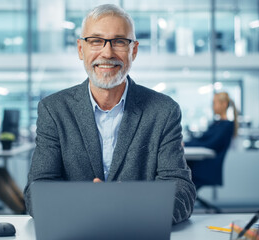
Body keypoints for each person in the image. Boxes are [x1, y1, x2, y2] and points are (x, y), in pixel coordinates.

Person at [24, 4, 196, 224]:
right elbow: (37, 191)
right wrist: (90, 203)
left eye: (119, 42)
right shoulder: (54, 110)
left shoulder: (164, 111)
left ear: (133, 50)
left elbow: (181, 191)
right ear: (80, 49)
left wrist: (129, 205)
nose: (107, 52)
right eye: (96, 41)